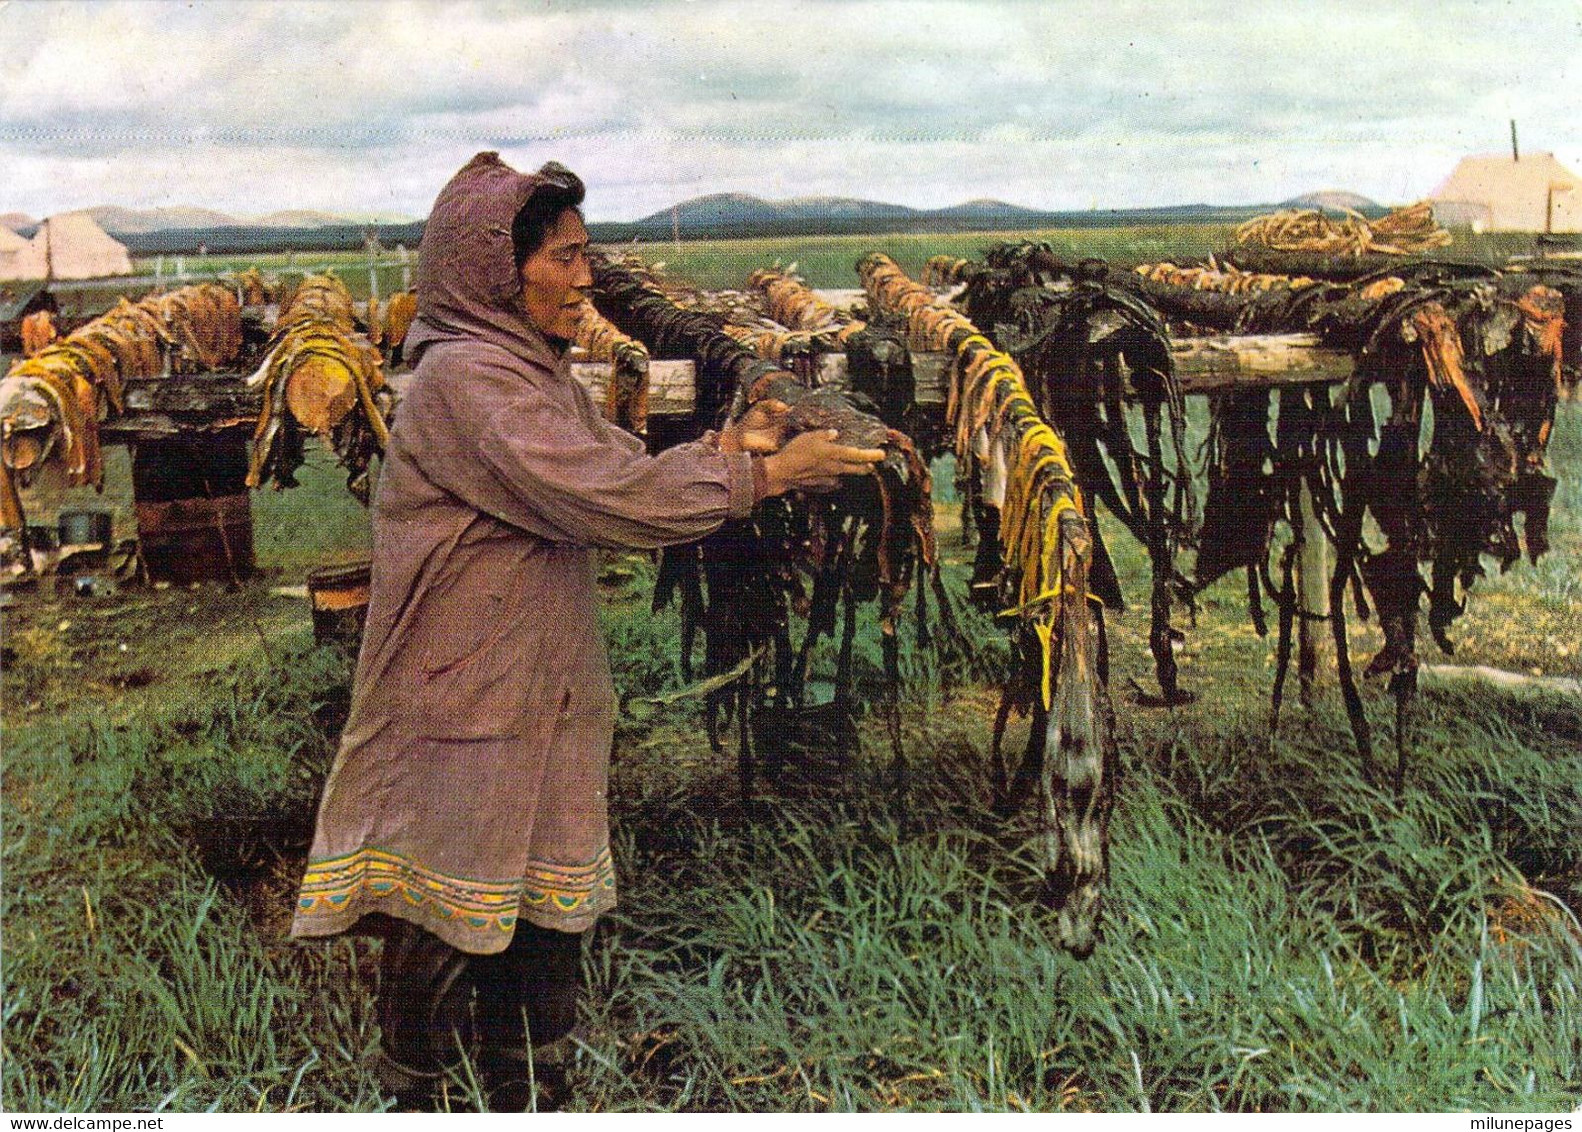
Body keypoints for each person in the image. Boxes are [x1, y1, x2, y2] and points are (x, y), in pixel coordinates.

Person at [289, 152, 883, 1111]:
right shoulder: (467, 383)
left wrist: (732, 448)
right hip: (462, 696)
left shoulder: (527, 373)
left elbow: (607, 457)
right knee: (446, 910)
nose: (584, 279)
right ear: (494, 269)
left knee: (539, 910)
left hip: (535, 691)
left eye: (586, 255)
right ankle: (420, 1102)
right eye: (563, 258)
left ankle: (532, 1095)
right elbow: (606, 494)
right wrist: (762, 480)